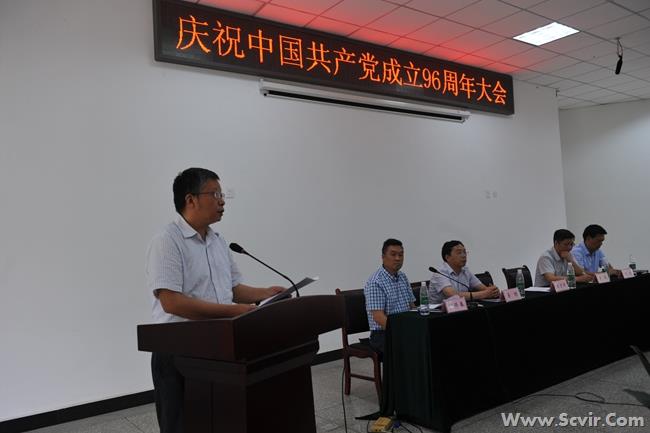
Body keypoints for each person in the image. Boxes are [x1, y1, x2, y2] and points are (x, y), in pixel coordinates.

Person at [145, 167, 285, 433]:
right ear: (191, 199)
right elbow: (172, 302)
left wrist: (266, 293)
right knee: (182, 426)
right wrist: (235, 312)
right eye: (215, 194)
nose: (222, 201)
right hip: (178, 349)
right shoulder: (167, 241)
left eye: (222, 195)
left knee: (216, 421)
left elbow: (232, 288)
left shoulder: (218, 241)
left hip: (217, 344)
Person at [364, 238, 415, 354]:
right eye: (393, 254)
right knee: (412, 347)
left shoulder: (402, 277)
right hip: (383, 333)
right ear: (383, 257)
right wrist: (403, 331)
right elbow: (379, 318)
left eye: (401, 255)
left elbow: (412, 306)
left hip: (404, 326)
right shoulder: (376, 282)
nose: (397, 258)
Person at [429, 240, 500, 304]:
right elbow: (453, 295)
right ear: (447, 257)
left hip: (461, 309)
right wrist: (484, 294)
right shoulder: (439, 273)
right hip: (439, 312)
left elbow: (484, 289)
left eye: (464, 252)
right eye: (459, 253)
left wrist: (493, 291)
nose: (463, 255)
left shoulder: (465, 270)